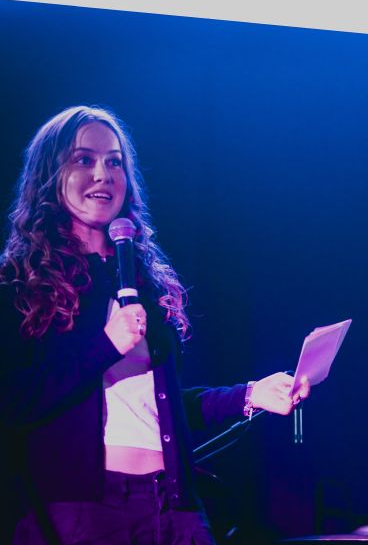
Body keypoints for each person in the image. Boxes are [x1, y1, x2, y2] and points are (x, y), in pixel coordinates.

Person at [0, 105, 310, 545]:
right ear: (50, 176)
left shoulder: (144, 280)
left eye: (115, 162)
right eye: (84, 160)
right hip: (80, 510)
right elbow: (12, 401)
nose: (103, 174)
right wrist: (105, 347)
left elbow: (158, 407)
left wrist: (250, 395)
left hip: (173, 504)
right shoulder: (21, 283)